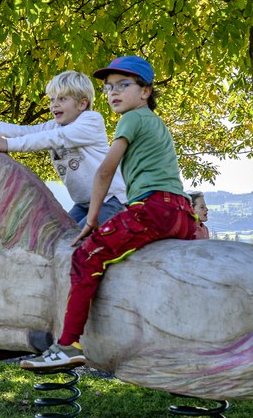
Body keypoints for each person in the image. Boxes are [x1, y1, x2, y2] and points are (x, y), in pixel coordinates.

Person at [21, 55, 203, 369]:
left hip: (153, 209)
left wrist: (92, 219)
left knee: (85, 257)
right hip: (182, 212)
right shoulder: (154, 122)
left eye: (123, 85)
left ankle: (68, 345)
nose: (113, 93)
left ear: (145, 91)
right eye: (107, 88)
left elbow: (104, 172)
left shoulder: (131, 119)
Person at [0, 70, 129, 226]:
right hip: (83, 204)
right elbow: (19, 131)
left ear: (82, 103)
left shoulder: (91, 121)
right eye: (52, 100)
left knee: (76, 247)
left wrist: (9, 144)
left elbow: (54, 139)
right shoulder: (53, 126)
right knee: (59, 243)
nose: (54, 105)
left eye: (62, 99)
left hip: (111, 201)